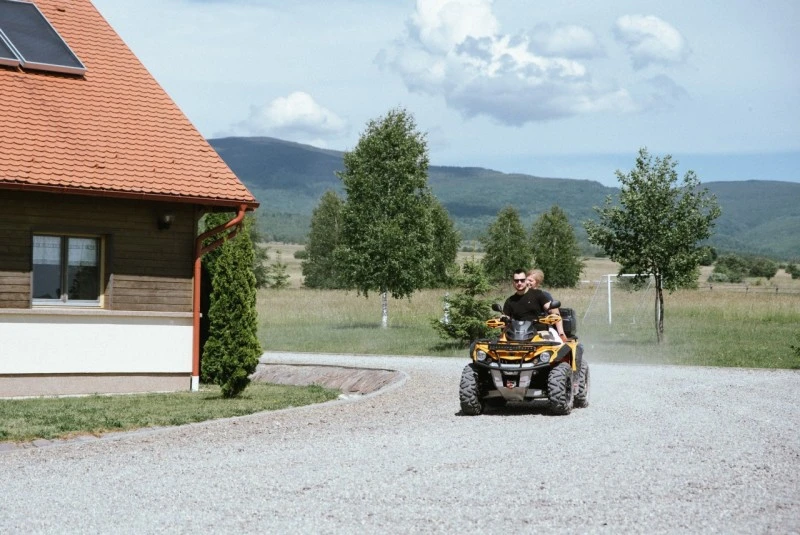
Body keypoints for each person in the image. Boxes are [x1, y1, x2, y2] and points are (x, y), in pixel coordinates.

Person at [527, 268, 568, 343]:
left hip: (542, 328)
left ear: (537, 283)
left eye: (530, 281)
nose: (527, 282)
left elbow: (555, 314)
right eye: (527, 280)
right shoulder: (520, 295)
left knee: (558, 345)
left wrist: (561, 333)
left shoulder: (544, 295)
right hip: (522, 329)